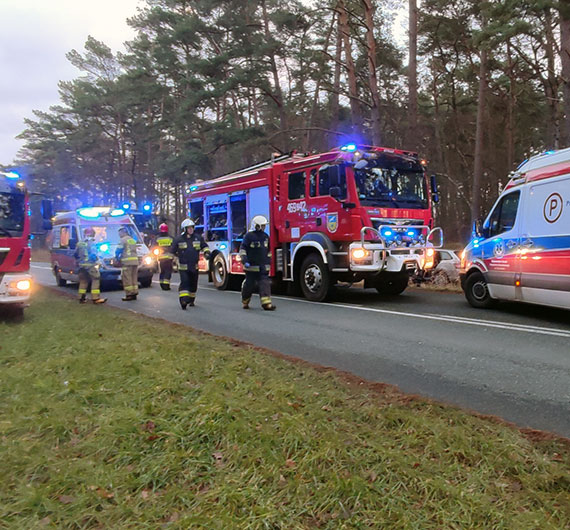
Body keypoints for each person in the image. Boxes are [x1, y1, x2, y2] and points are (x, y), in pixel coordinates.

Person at [170, 218, 210, 309]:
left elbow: (204, 246)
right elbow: (172, 251)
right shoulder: (178, 239)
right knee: (185, 283)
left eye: (192, 228)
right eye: (189, 228)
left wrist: (207, 253)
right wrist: (173, 260)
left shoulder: (198, 238)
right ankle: (183, 301)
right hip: (183, 267)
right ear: (184, 229)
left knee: (193, 284)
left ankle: (191, 300)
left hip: (194, 267)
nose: (191, 229)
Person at [240, 215, 276, 311]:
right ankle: (245, 301)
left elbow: (268, 251)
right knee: (249, 285)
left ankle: (266, 304)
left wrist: (269, 262)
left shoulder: (265, 237)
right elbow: (243, 250)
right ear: (256, 226)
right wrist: (245, 261)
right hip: (251, 267)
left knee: (265, 284)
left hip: (262, 267)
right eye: (262, 225)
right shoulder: (248, 237)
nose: (264, 227)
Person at [74, 227, 107, 304]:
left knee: (83, 281)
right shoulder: (92, 243)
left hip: (81, 265)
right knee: (96, 278)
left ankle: (81, 298)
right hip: (90, 265)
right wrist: (98, 261)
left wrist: (79, 262)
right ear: (92, 234)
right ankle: (96, 298)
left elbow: (75, 254)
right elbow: (93, 254)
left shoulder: (80, 243)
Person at [116, 226, 139, 301]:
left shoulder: (122, 240)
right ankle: (135, 292)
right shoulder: (132, 240)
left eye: (119, 233)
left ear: (122, 232)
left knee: (127, 278)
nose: (119, 235)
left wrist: (117, 257)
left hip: (127, 262)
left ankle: (129, 294)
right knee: (134, 277)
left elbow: (118, 250)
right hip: (135, 261)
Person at [156, 223, 174, 290]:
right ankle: (166, 285)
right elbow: (174, 246)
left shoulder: (157, 238)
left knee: (162, 271)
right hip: (169, 258)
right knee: (168, 271)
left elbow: (153, 247)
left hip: (161, 258)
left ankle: (161, 283)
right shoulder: (170, 238)